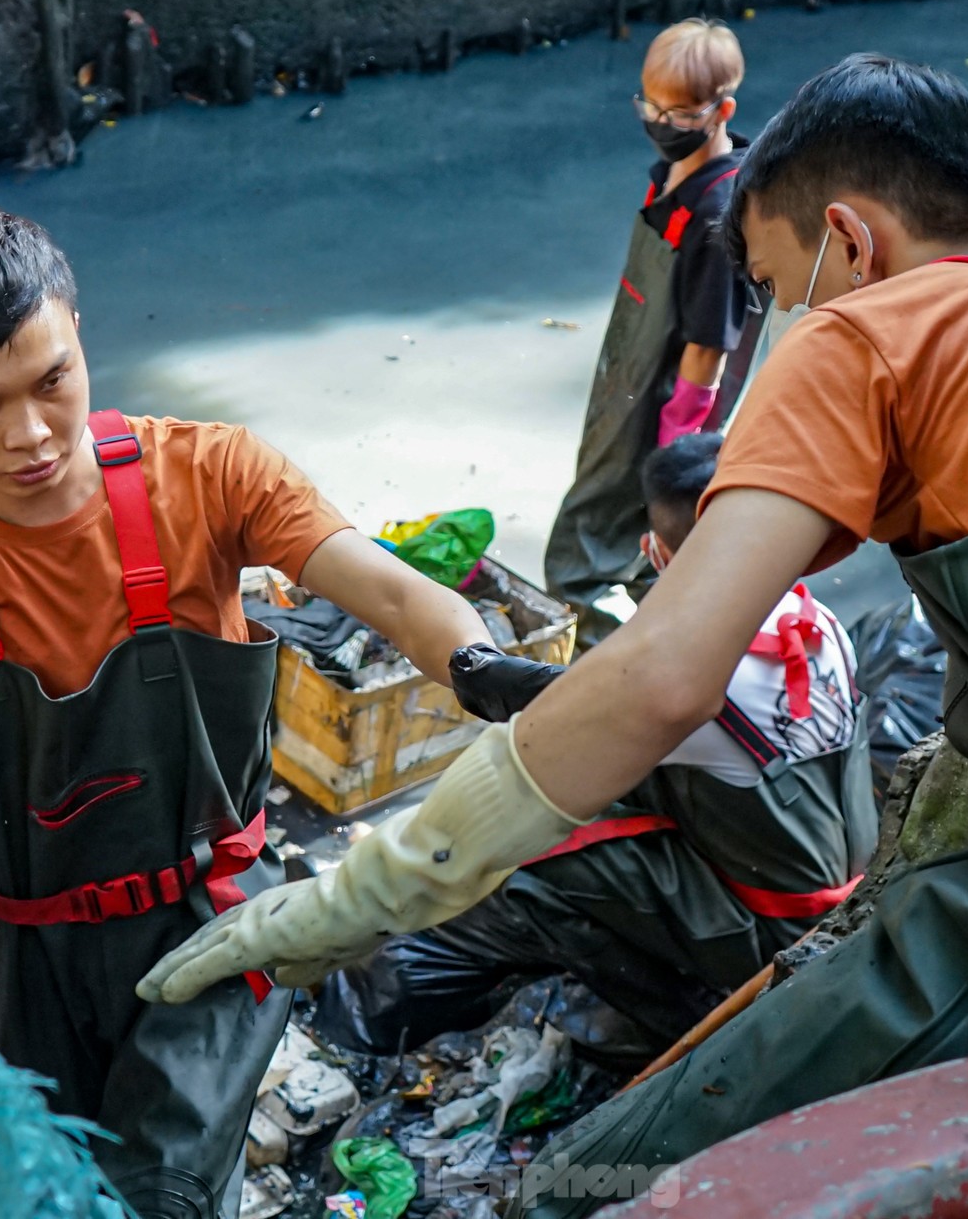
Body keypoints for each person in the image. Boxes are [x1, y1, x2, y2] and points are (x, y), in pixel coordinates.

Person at [133, 54, 968, 1215]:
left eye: (782, 287)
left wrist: (362, 891)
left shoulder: (873, 333)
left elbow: (664, 672)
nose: (786, 328)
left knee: (620, 1168)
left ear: (849, 240)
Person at [0, 206, 544, 1219]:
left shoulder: (210, 473)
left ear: (78, 333)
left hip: (210, 918)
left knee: (164, 1194)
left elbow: (391, 593)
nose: (26, 434)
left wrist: (472, 661)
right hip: (13, 944)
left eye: (51, 381)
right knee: (28, 1184)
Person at [309, 433, 877, 1062]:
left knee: (524, 873)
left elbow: (556, 733)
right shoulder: (807, 615)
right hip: (830, 875)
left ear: (653, 550)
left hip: (768, 925)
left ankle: (692, 1027)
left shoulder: (687, 674)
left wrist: (477, 673)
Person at [544, 17, 759, 648]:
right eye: (652, 107)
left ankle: (586, 674)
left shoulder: (719, 211)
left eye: (682, 114)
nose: (662, 124)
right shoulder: (670, 174)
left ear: (724, 109)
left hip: (664, 407)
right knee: (635, 546)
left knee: (584, 548)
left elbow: (708, 346)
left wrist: (677, 444)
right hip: (625, 383)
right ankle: (656, 640)